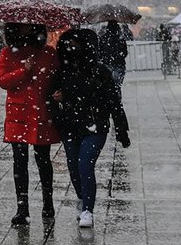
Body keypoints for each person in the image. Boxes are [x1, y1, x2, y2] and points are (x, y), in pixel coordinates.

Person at [49, 29, 131, 230]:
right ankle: (82, 197)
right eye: (69, 46)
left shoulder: (100, 72)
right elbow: (51, 97)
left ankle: (88, 209)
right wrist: (58, 111)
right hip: (70, 126)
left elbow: (113, 102)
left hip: (95, 126)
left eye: (76, 46)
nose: (72, 50)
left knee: (85, 165)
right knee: (73, 168)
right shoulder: (62, 71)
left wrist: (122, 130)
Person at [0, 22, 60, 225]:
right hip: (19, 113)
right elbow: (3, 80)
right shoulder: (7, 53)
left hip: (41, 111)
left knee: (43, 159)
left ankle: (47, 202)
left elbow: (58, 78)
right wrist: (23, 71)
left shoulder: (49, 53)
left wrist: (60, 92)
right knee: (20, 161)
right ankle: (22, 206)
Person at [97, 20, 128, 90]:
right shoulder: (121, 39)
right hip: (119, 64)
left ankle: (110, 98)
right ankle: (117, 97)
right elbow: (125, 53)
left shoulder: (102, 38)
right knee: (117, 85)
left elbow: (99, 53)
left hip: (106, 64)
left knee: (108, 86)